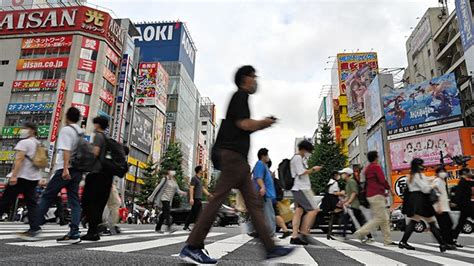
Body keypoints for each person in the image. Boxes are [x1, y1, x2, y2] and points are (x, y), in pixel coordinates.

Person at [179, 66, 294, 264]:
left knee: (254, 204)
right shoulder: (240, 96)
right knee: (218, 200)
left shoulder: (242, 98)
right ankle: (192, 246)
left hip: (238, 160)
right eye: (254, 77)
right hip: (232, 157)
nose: (256, 80)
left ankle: (270, 248)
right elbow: (244, 124)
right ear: (245, 78)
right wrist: (264, 122)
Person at [32, 108, 84, 243]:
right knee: (74, 201)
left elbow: (66, 150)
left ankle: (34, 227)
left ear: (67, 117)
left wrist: (65, 168)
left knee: (47, 195)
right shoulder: (80, 132)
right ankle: (74, 232)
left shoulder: (67, 130)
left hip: (65, 169)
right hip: (78, 170)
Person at [0, 122, 42, 239]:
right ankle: (35, 228)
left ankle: (34, 228)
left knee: (5, 201)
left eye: (25, 128)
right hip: (33, 178)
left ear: (32, 130)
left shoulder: (24, 142)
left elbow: (19, 159)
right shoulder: (39, 144)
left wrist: (14, 175)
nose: (23, 130)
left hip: (21, 177)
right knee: (32, 203)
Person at [398, 158, 447, 252]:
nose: (423, 166)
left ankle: (403, 242)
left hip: (416, 200)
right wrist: (433, 185)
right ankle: (442, 244)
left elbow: (426, 180)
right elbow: (425, 189)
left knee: (414, 221)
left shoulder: (413, 175)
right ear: (418, 166)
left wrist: (434, 178)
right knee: (431, 222)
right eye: (421, 165)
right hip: (420, 199)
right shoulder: (417, 176)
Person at [81, 116, 114, 241]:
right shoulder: (107, 138)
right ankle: (93, 232)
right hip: (107, 176)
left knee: (88, 201)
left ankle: (92, 231)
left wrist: (86, 148)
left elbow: (94, 153)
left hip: (96, 174)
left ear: (97, 125)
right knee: (99, 204)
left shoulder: (98, 137)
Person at [354, 151, 395, 246]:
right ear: (376, 157)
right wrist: (390, 189)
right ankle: (361, 232)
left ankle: (387, 240)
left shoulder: (367, 168)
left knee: (384, 218)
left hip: (370, 194)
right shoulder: (376, 167)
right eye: (378, 156)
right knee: (380, 218)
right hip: (377, 194)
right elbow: (382, 180)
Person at [290, 140, 322, 245]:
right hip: (301, 189)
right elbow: (301, 172)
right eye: (309, 151)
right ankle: (304, 232)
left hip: (297, 188)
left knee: (298, 212)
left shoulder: (296, 158)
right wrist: (314, 169)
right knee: (314, 210)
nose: (309, 154)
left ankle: (294, 236)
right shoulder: (298, 158)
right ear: (304, 149)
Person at [247, 148, 277, 237]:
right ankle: (270, 233)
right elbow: (258, 177)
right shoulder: (260, 164)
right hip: (264, 194)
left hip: (265, 194)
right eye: (267, 155)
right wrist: (262, 187)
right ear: (263, 156)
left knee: (260, 214)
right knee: (269, 214)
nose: (268, 157)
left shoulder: (264, 166)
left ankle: (257, 231)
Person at [340, 167, 373, 241]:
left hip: (354, 205)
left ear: (347, 174)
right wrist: (344, 201)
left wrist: (348, 202)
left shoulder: (351, 181)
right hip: (352, 205)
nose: (342, 175)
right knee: (353, 220)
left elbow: (354, 193)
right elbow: (349, 194)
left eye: (343, 173)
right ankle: (343, 235)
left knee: (359, 221)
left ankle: (343, 235)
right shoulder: (348, 182)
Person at [150, 169, 187, 233]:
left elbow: (177, 190)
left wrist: (184, 193)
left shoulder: (174, 181)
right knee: (167, 212)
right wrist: (151, 197)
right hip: (164, 198)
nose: (172, 173)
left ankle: (157, 228)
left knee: (163, 214)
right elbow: (158, 187)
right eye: (171, 171)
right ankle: (169, 227)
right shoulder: (165, 179)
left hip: (169, 200)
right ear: (168, 172)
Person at [433, 167, 456, 250]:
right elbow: (435, 192)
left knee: (448, 224)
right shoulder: (437, 181)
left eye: (444, 171)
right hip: (440, 208)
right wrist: (438, 206)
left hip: (444, 207)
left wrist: (449, 202)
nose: (444, 173)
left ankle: (448, 242)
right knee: (445, 226)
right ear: (437, 173)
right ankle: (446, 243)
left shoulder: (442, 181)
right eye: (441, 171)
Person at [183, 166, 212, 231]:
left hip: (199, 199)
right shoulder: (194, 178)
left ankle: (186, 226)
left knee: (194, 213)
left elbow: (203, 188)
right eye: (202, 170)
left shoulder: (200, 179)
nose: (203, 171)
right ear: (199, 171)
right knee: (197, 213)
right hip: (195, 198)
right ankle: (197, 227)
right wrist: (191, 198)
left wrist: (209, 195)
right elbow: (191, 188)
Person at [452, 168, 474, 248]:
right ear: (465, 173)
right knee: (460, 224)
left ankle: (453, 239)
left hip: (466, 207)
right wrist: (456, 203)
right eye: (469, 172)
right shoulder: (462, 182)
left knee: (460, 224)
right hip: (467, 206)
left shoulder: (465, 181)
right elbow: (458, 195)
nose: (471, 173)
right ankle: (453, 239)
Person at [270, 160, 291, 239]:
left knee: (275, 215)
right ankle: (284, 231)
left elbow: (279, 192)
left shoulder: (274, 181)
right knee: (274, 216)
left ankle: (285, 231)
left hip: (271, 200)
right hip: (272, 200)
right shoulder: (276, 181)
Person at [322, 170, 346, 240]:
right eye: (338, 175)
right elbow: (335, 193)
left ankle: (329, 233)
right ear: (335, 176)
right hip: (334, 201)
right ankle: (339, 232)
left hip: (329, 201)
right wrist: (342, 193)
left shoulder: (330, 182)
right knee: (342, 215)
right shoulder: (334, 183)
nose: (339, 176)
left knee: (333, 217)